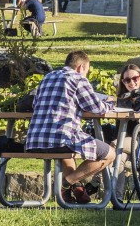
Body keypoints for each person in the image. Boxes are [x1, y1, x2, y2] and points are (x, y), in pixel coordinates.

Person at [25, 50, 116, 204]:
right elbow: (96, 108)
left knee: (68, 154)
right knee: (109, 154)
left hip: (35, 141)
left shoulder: (48, 77)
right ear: (81, 67)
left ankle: (73, 193)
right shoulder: (78, 79)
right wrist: (110, 103)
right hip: (62, 138)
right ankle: (67, 183)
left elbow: (34, 104)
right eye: (86, 70)